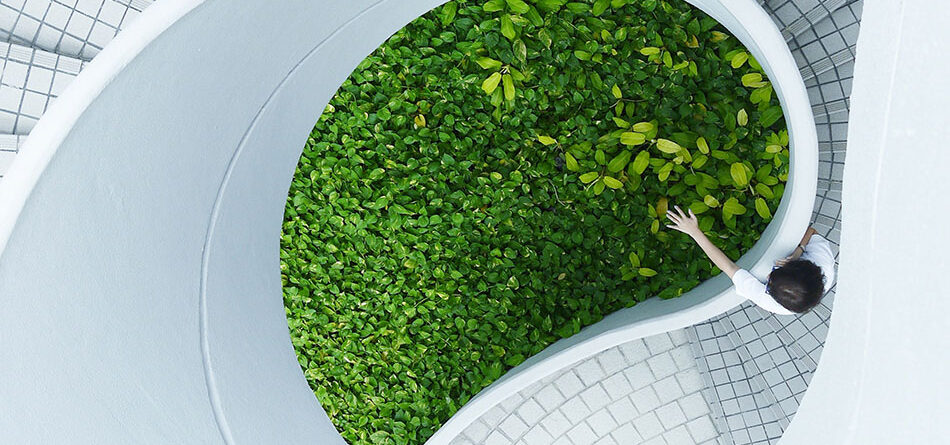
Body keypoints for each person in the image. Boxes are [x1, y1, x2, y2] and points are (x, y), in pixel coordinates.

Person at [665, 205, 835, 315]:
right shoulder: (823, 263)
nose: (768, 278)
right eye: (774, 274)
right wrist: (798, 251)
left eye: (769, 284)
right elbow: (811, 231)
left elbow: (729, 267)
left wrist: (694, 232)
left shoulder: (769, 301)